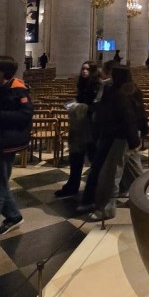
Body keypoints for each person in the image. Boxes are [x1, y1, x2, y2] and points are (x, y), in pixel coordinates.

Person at [0, 56, 34, 255]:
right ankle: (14, 216)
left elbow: (26, 114)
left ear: (2, 71)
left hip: (8, 142)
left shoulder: (18, 89)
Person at [87, 65, 144, 219]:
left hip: (121, 137)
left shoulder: (121, 93)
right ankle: (144, 199)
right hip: (130, 136)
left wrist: (134, 141)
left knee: (112, 173)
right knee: (134, 171)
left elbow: (129, 118)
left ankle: (107, 208)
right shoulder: (131, 89)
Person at [55, 62, 101, 199]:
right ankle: (72, 185)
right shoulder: (82, 84)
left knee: (94, 159)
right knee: (75, 158)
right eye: (83, 69)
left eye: (88, 69)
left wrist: (81, 107)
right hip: (79, 127)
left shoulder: (97, 85)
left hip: (91, 128)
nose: (84, 71)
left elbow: (96, 106)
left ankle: (94, 189)